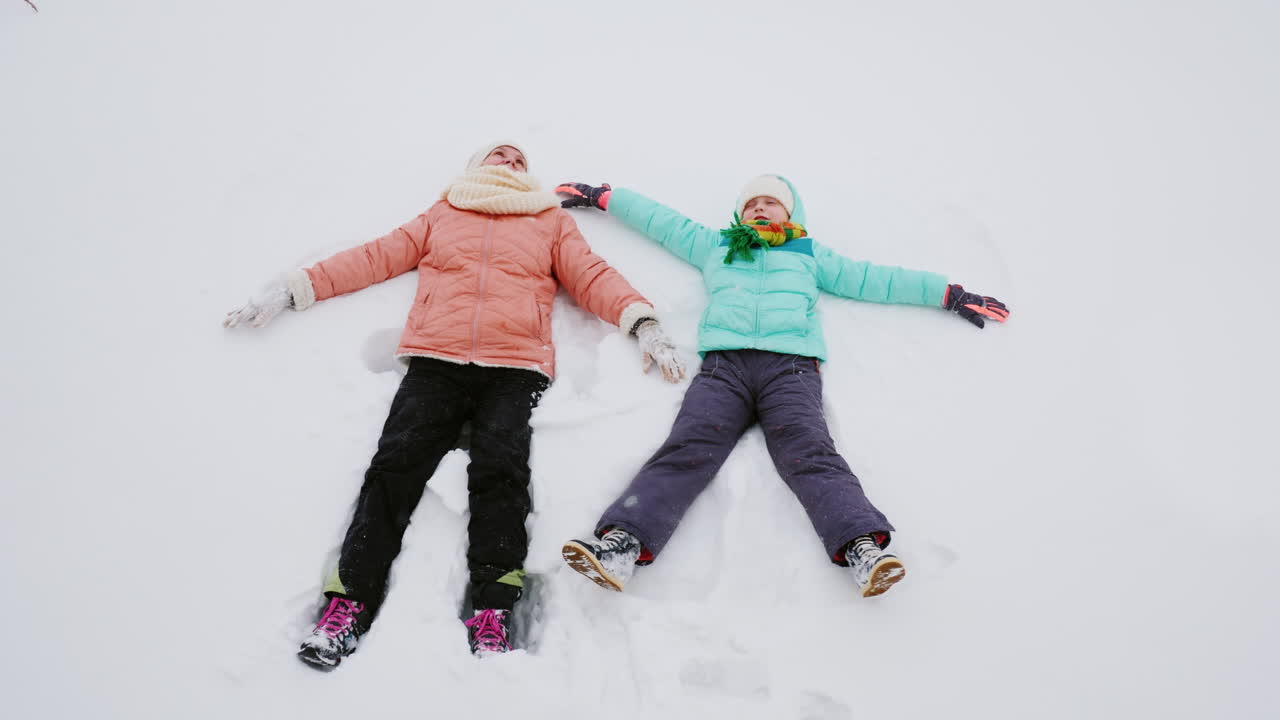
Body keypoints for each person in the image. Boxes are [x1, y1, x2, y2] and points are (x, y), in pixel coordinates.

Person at [224, 142, 685, 669]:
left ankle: (492, 612)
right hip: (436, 364)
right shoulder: (445, 213)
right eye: (499, 155)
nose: (510, 162)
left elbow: (591, 275)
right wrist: (294, 288)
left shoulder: (548, 220)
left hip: (514, 369)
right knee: (392, 472)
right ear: (475, 168)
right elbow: (375, 256)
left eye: (519, 160)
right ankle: (347, 606)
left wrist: (641, 321)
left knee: (501, 476)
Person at [554, 174, 1008, 598]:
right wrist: (605, 197)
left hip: (790, 370)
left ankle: (862, 548)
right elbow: (664, 223)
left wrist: (948, 293)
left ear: (790, 214)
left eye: (770, 202)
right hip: (723, 368)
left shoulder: (808, 254)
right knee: (688, 446)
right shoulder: (718, 246)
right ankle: (622, 545)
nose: (760, 209)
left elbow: (874, 279)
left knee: (808, 452)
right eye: (751, 204)